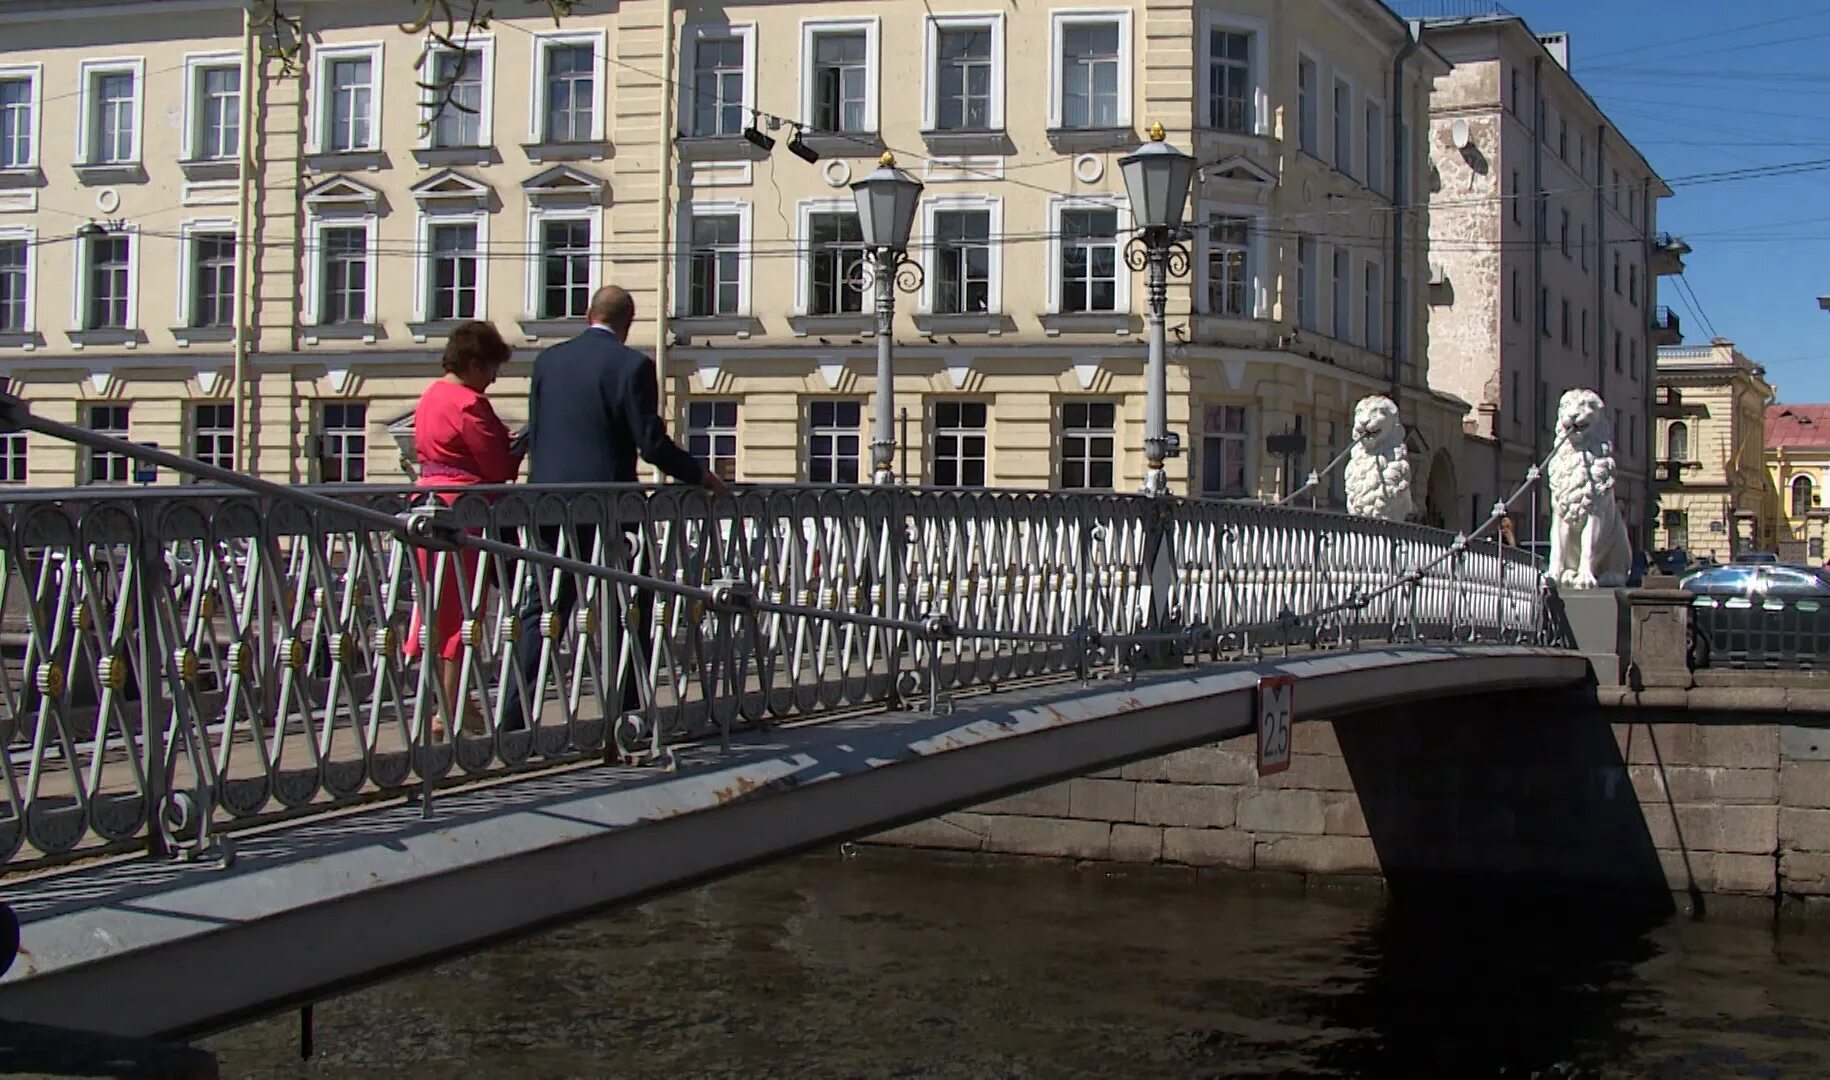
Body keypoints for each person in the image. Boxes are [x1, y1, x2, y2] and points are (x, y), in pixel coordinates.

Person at [502, 285, 727, 731]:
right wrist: (701, 476)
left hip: (548, 505)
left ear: (588, 314)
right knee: (631, 601)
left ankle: (513, 717)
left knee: (545, 607)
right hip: (610, 508)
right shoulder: (632, 366)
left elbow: (538, 431)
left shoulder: (548, 362)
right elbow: (651, 444)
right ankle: (626, 709)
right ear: (628, 322)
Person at [404, 321, 525, 739]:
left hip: (426, 503)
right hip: (464, 509)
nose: (493, 378)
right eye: (491, 368)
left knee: (434, 606)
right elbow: (496, 466)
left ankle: (450, 701)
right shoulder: (469, 404)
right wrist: (521, 445)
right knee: (462, 608)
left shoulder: (430, 396)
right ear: (474, 364)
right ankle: (449, 707)